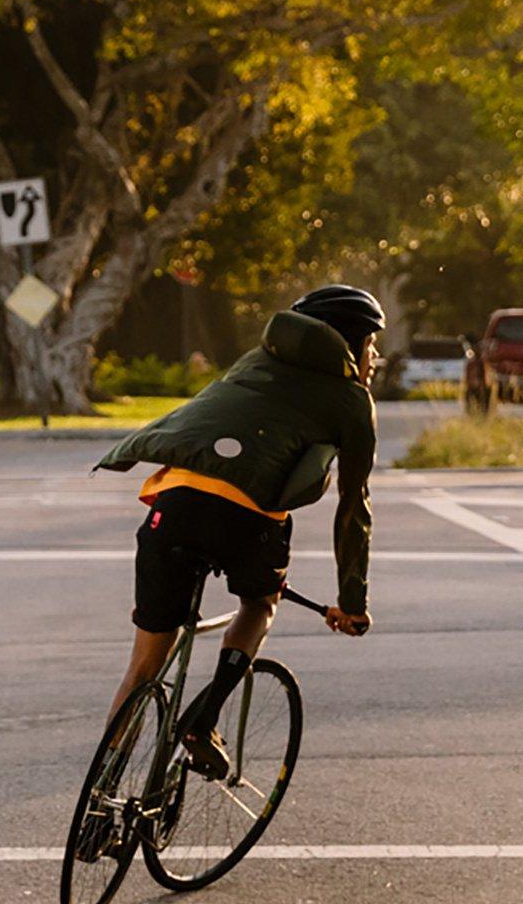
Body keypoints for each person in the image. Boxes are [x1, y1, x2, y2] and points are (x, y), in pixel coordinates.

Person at [90, 282, 382, 772]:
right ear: (352, 344)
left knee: (143, 669)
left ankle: (102, 796)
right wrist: (352, 603)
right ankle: (202, 720)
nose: (374, 358)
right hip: (250, 520)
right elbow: (354, 509)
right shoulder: (352, 401)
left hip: (173, 503)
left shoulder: (253, 361)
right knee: (259, 605)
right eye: (372, 346)